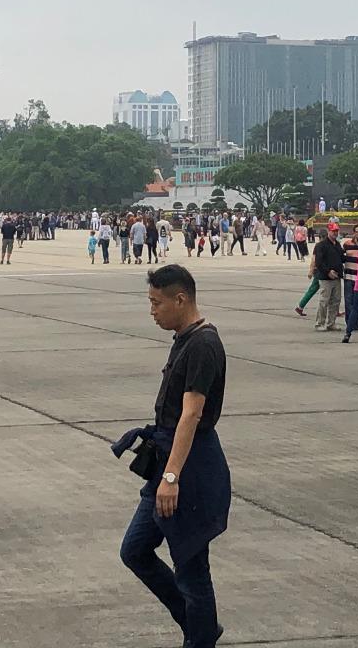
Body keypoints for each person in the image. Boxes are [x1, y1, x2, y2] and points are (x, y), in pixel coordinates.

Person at [115, 265, 229, 648]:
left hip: (190, 466)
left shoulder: (202, 344)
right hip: (168, 455)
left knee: (192, 566)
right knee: (135, 550)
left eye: (156, 303)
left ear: (181, 299)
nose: (152, 311)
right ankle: (200, 627)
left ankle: (200, 639)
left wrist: (171, 477)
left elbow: (192, 415)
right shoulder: (184, 337)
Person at [311, 228, 343, 331]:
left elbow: (342, 258)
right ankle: (319, 323)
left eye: (336, 231)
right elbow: (319, 262)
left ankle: (331, 323)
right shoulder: (321, 245)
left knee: (336, 301)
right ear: (328, 232)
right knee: (324, 301)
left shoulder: (337, 245)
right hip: (325, 278)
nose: (335, 233)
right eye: (333, 231)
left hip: (337, 277)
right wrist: (328, 271)